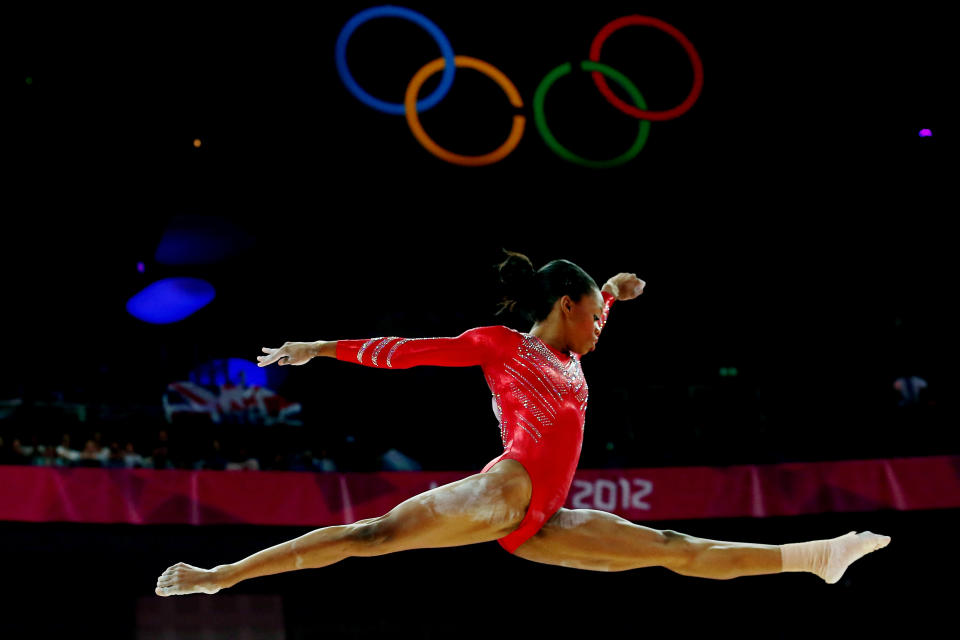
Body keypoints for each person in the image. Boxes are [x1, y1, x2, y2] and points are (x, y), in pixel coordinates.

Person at [156, 251, 890, 597]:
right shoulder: (503, 345)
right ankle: (223, 576)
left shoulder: (574, 346)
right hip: (506, 491)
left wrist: (615, 289)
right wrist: (322, 348)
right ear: (566, 308)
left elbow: (590, 311)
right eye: (595, 313)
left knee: (672, 548)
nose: (604, 323)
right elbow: (412, 353)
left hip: (540, 522)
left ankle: (818, 556)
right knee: (370, 536)